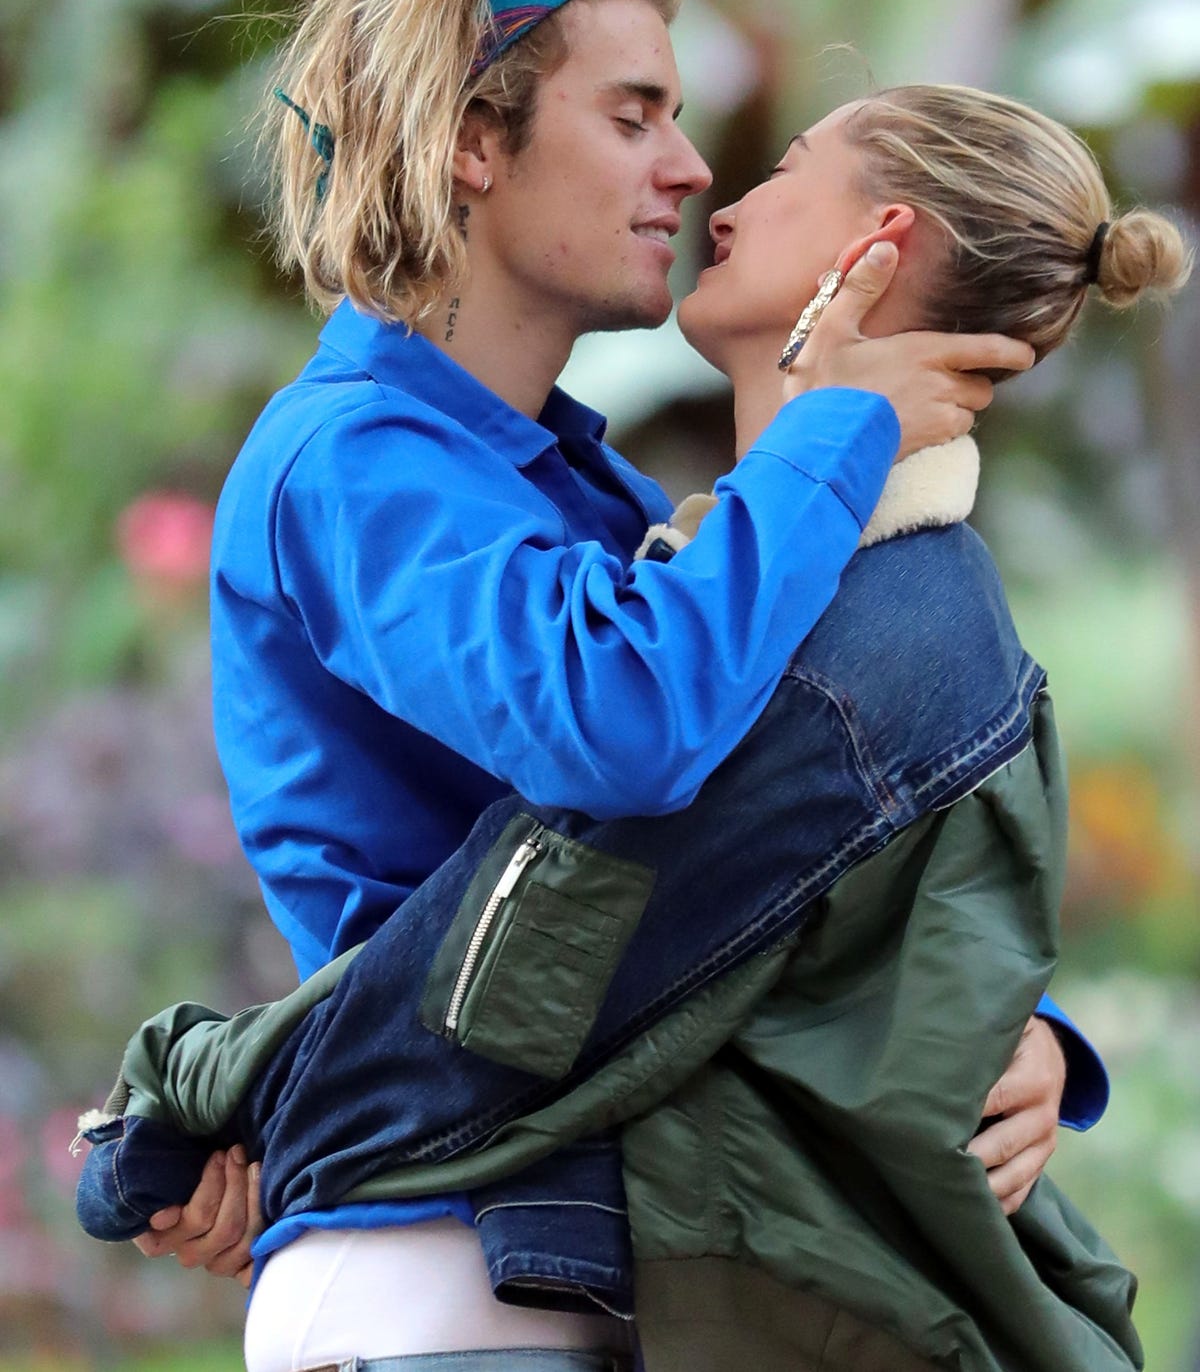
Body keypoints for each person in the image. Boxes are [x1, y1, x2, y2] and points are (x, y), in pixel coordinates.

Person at [74, 84, 1180, 1371]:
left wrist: (216, 1107)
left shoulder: (864, 618)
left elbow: (565, 933)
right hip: (463, 1277)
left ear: (879, 244)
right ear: (476, 144)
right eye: (633, 118)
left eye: (784, 166)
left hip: (498, 1281)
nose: (709, 176)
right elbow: (679, 930)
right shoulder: (659, 548)